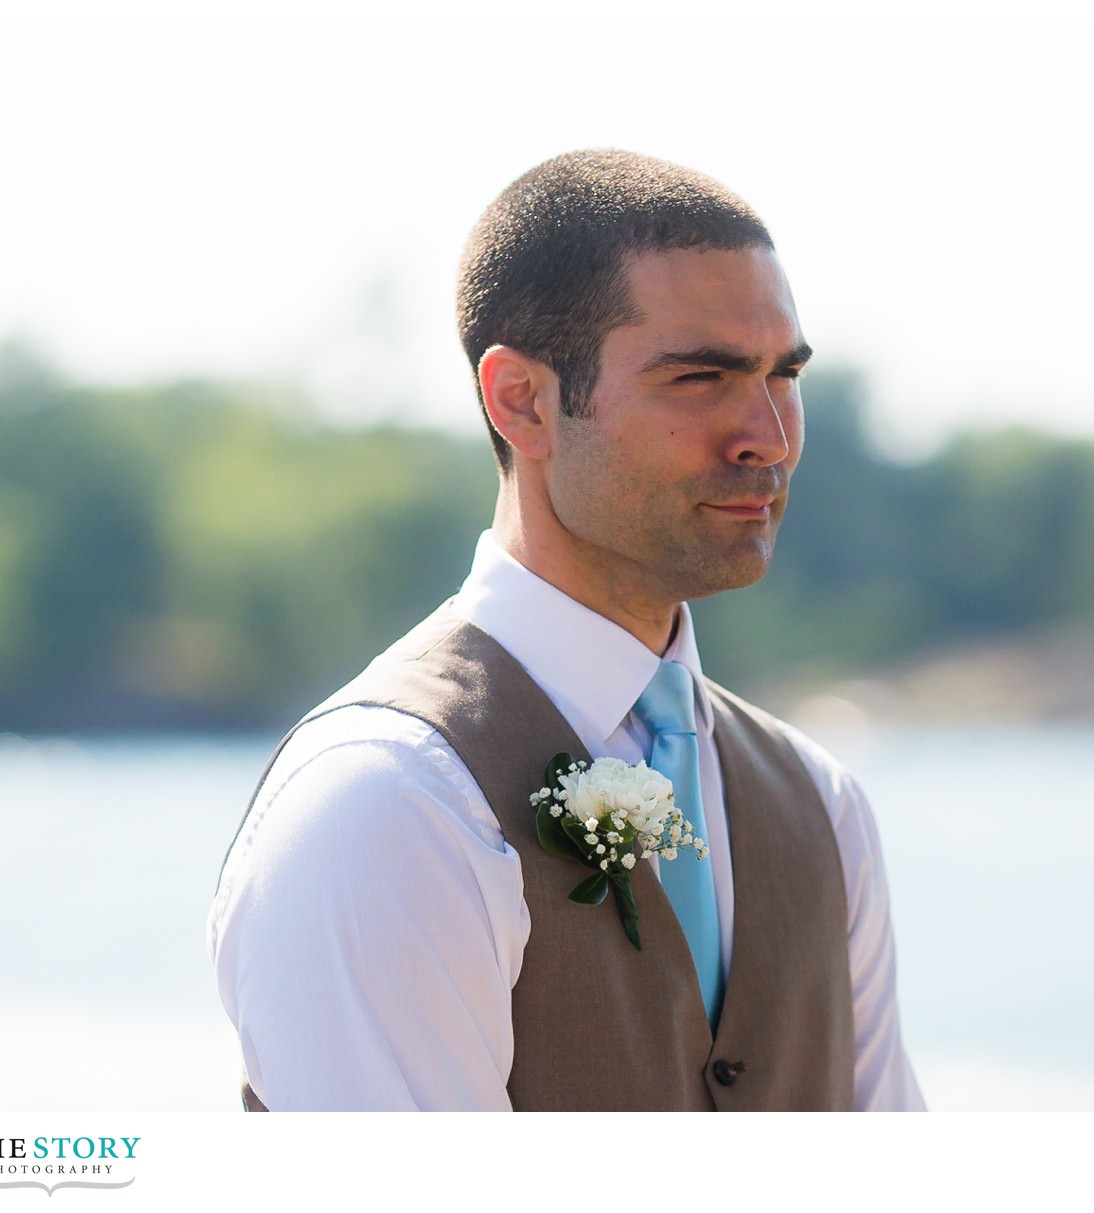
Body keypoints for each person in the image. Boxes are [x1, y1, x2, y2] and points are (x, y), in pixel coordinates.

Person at [207, 149, 925, 1111]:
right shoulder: (386, 804)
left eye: (780, 374)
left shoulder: (823, 807)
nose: (768, 433)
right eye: (702, 376)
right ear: (523, 400)